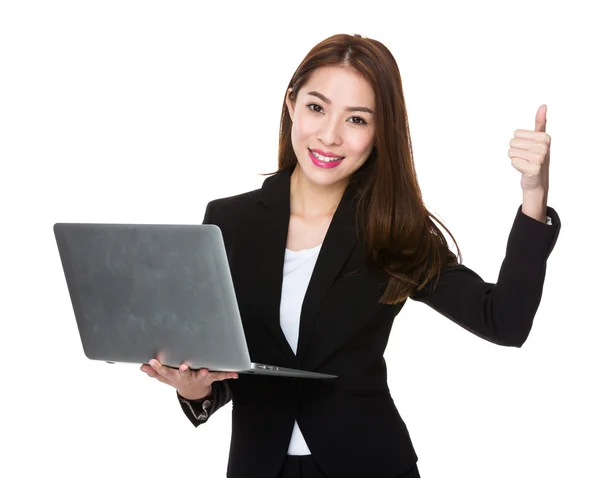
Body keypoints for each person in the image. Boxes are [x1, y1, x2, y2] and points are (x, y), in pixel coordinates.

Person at [140, 33, 561, 478]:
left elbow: (504, 321)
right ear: (291, 105)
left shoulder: (393, 228)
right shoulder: (229, 220)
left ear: (380, 133)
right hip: (260, 466)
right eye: (316, 107)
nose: (329, 135)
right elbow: (230, 364)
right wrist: (194, 389)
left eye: (357, 120)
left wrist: (534, 196)